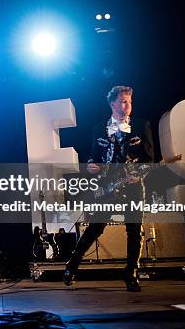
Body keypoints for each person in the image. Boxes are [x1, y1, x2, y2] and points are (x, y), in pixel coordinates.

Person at [63, 85, 154, 291]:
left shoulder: (142, 125)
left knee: (134, 230)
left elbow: (150, 160)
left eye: (129, 101)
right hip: (107, 185)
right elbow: (93, 157)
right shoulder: (98, 128)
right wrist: (91, 165)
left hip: (132, 185)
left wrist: (138, 174)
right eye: (123, 101)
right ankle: (72, 264)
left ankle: (131, 272)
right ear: (112, 104)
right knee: (96, 227)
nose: (127, 105)